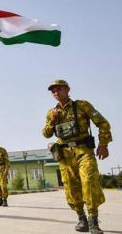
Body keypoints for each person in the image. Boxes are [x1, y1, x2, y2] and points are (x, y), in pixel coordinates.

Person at [43, 79, 112, 234]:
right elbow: (46, 134)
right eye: (53, 91)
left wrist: (103, 144)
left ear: (68, 89)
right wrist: (51, 122)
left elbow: (102, 123)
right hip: (65, 155)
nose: (56, 93)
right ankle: (81, 218)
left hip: (83, 150)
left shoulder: (82, 105)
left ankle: (93, 220)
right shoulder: (51, 113)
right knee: (71, 188)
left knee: (89, 181)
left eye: (59, 89)